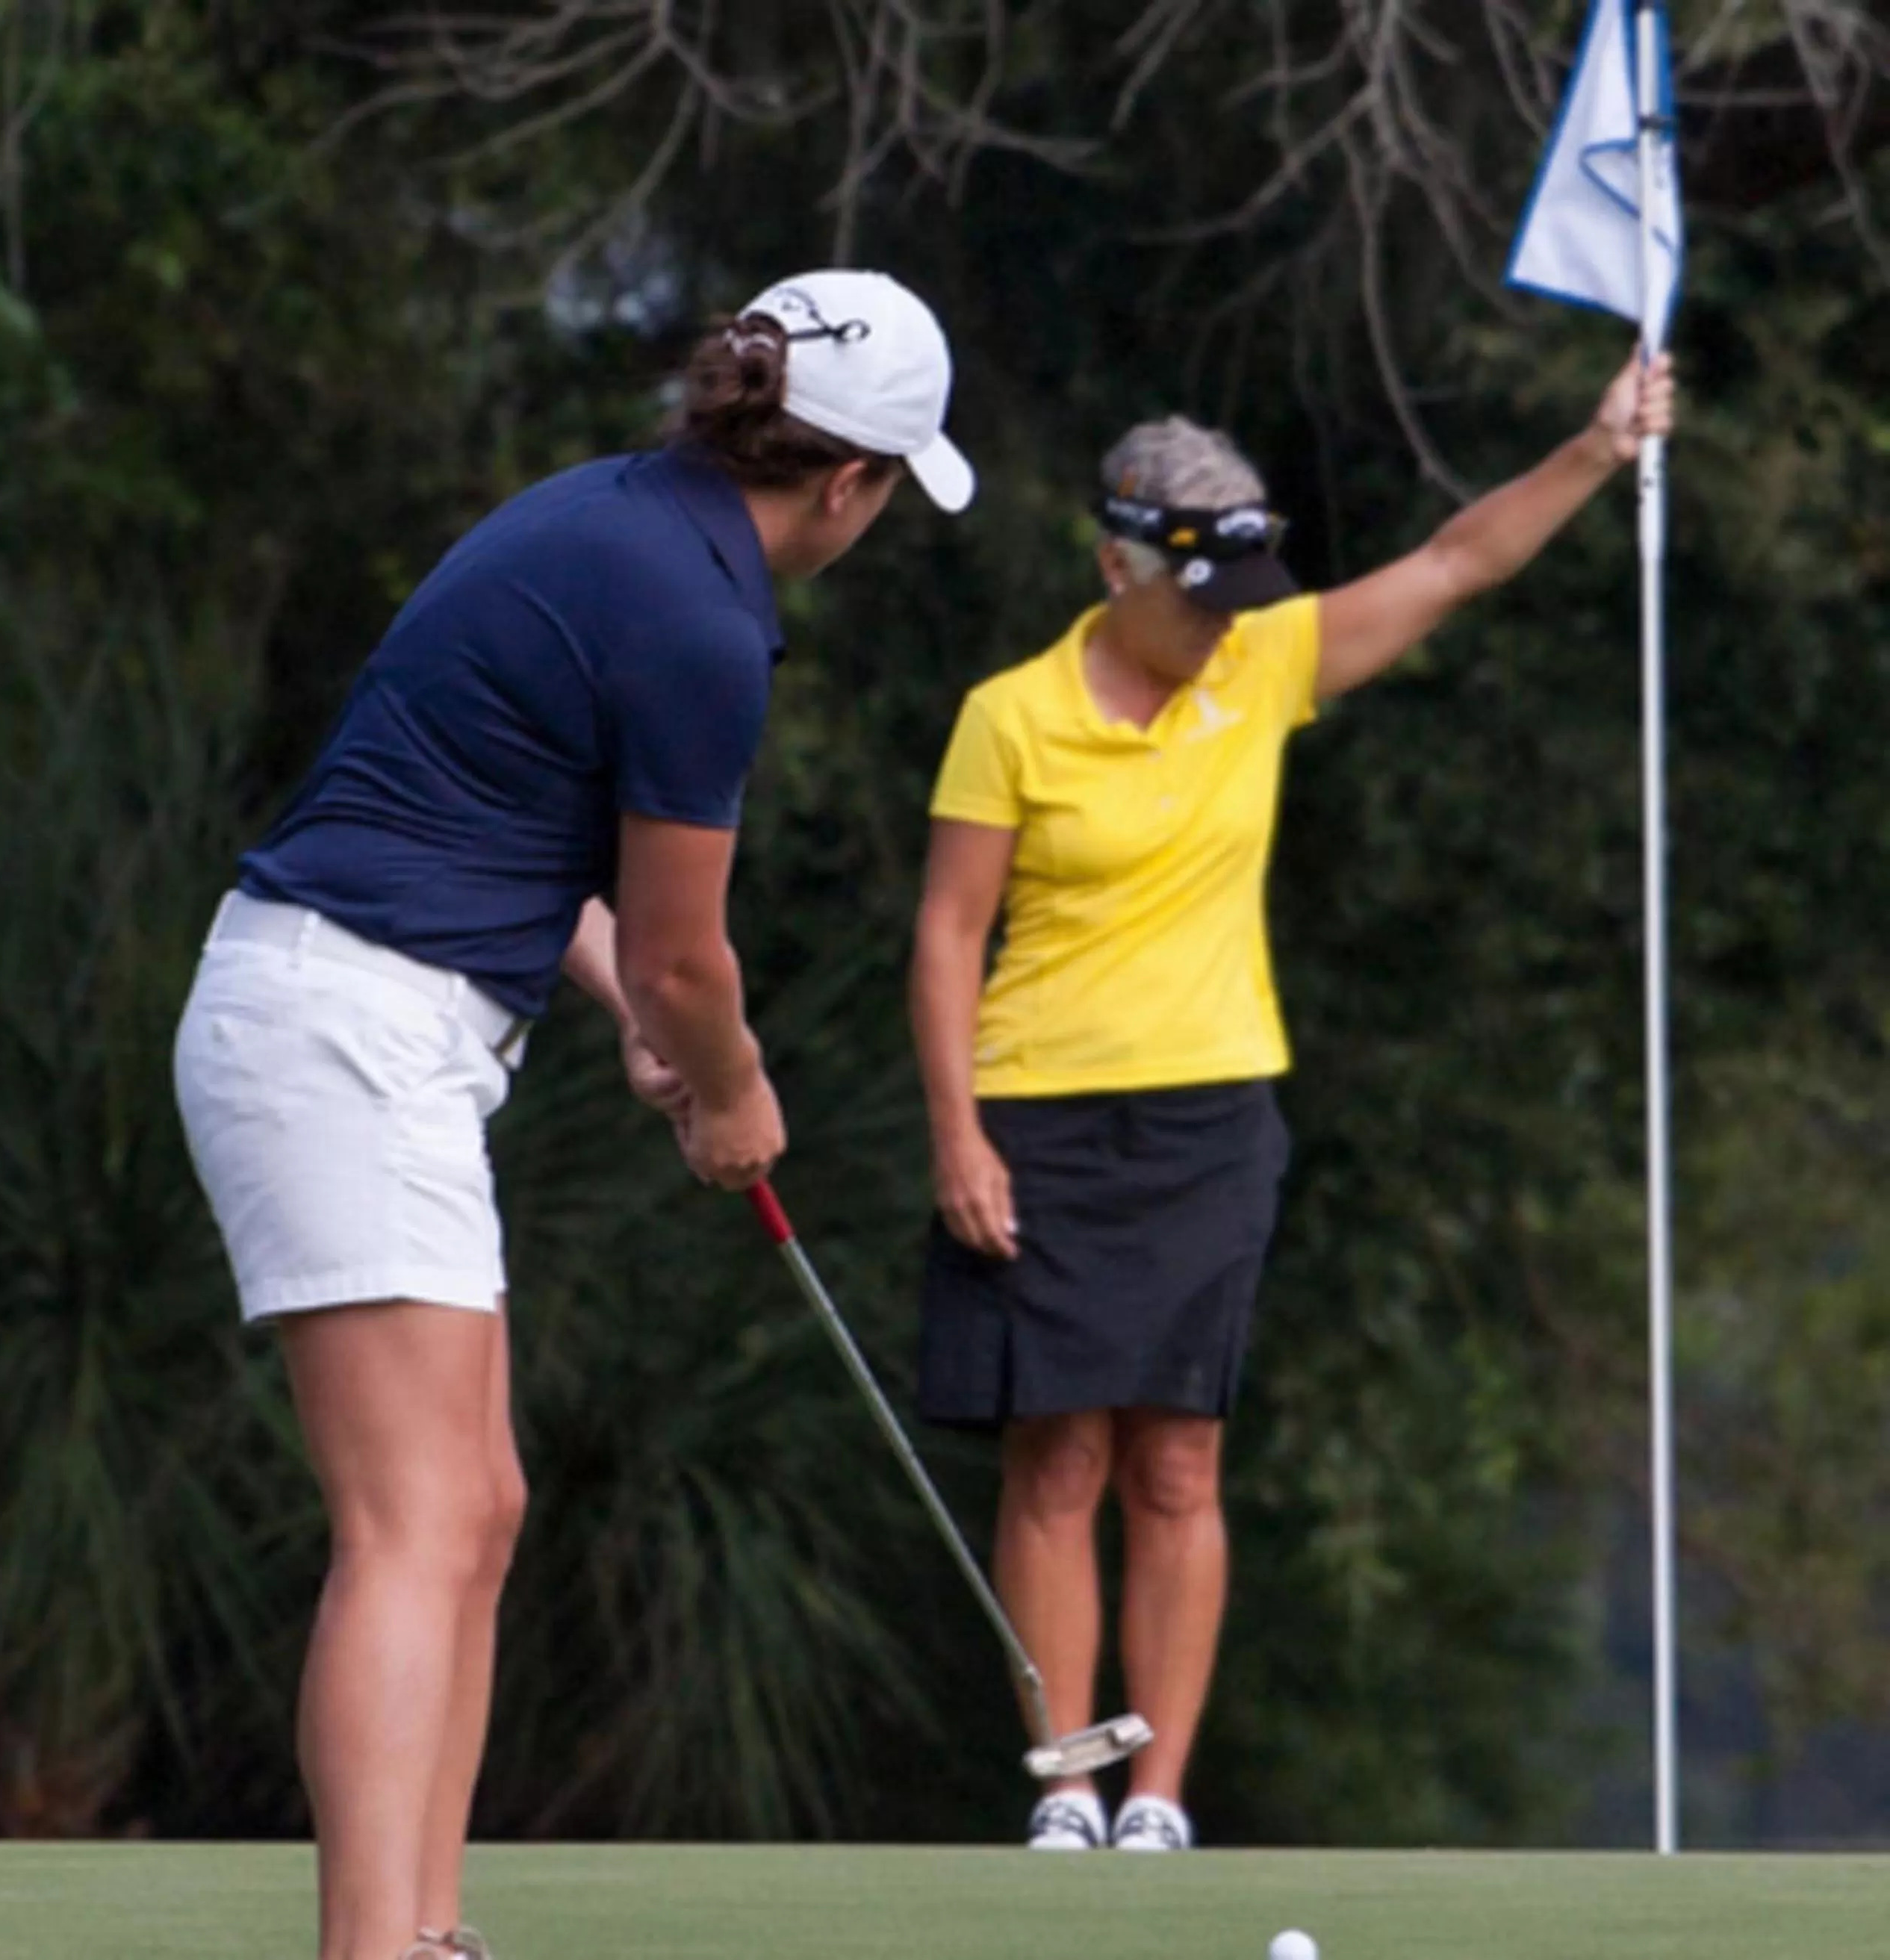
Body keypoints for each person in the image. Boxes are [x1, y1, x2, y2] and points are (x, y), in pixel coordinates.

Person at [174, 270, 972, 1960]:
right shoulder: (701, 616)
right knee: (415, 1518)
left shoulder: (606, 517)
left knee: (480, 1501)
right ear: (847, 482)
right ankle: (371, 1951)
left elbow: (524, 845)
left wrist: (632, 1015)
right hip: (346, 1026)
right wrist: (731, 1095)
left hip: (365, 1013)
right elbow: (692, 952)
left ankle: (429, 1934)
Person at [910, 350, 1676, 1852]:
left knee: (1179, 1457)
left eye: (1235, 596)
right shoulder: (1011, 716)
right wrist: (957, 1132)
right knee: (1057, 1456)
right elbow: (947, 934)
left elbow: (1458, 561)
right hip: (1039, 1114)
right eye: (1194, 594)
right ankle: (1065, 1780)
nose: (1218, 625)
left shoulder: (1261, 671)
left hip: (1210, 1116)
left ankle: (1159, 1797)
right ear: (1114, 561)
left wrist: (1595, 447)